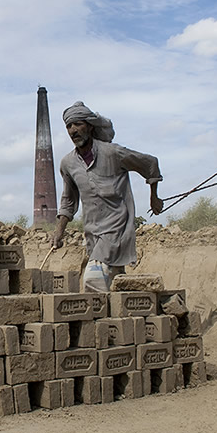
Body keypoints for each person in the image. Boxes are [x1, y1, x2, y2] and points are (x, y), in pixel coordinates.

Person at [52, 101, 164, 292]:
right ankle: (122, 319)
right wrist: (59, 231)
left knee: (93, 278)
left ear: (89, 126)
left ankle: (97, 321)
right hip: (91, 231)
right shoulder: (68, 164)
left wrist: (154, 197)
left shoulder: (112, 153)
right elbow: (68, 201)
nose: (73, 130)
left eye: (78, 124)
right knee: (113, 282)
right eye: (69, 126)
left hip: (116, 228)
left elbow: (150, 163)